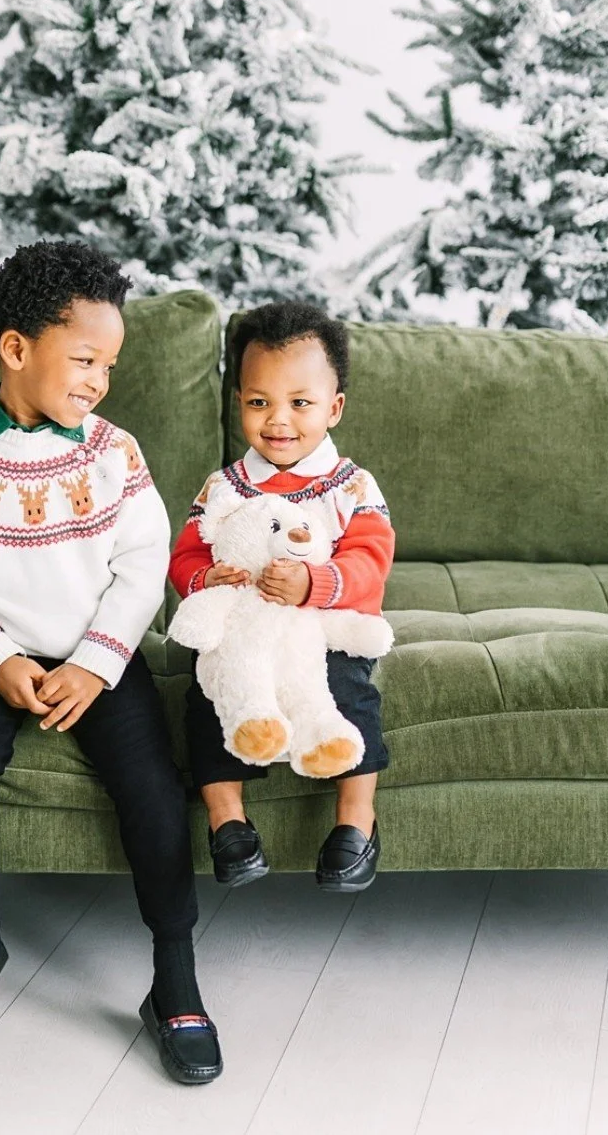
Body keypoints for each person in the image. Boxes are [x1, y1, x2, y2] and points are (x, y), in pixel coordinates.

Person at [0, 239, 222, 1085]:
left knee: (155, 788)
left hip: (96, 655)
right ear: (17, 349)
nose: (97, 382)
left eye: (108, 367)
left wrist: (95, 663)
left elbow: (143, 564)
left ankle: (175, 974)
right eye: (85, 359)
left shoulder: (113, 454)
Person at [170, 301, 395, 892]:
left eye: (300, 403)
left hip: (323, 630)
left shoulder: (351, 486)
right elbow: (188, 554)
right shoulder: (224, 488)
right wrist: (204, 579)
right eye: (259, 402)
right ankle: (228, 820)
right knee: (206, 693)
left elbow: (370, 560)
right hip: (242, 632)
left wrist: (314, 584)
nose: (279, 421)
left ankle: (356, 818)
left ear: (334, 407)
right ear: (238, 402)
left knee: (349, 687)